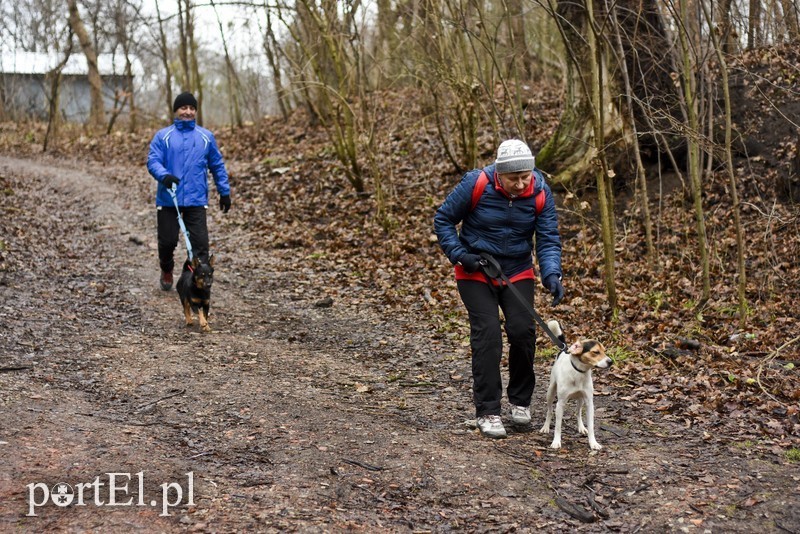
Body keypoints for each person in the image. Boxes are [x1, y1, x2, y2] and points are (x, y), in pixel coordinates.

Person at [434, 139, 564, 439]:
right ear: (499, 175)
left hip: (517, 270)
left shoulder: (541, 192)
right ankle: (488, 411)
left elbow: (547, 238)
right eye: (513, 179)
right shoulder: (475, 183)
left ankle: (520, 402)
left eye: (525, 177)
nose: (520, 184)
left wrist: (552, 274)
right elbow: (443, 219)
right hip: (475, 269)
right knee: (488, 334)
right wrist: (460, 254)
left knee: (522, 331)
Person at [147, 92, 232, 290]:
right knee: (167, 243)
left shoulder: (206, 137)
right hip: (169, 200)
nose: (188, 112)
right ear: (176, 110)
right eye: (183, 108)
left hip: (196, 200)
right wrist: (164, 175)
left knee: (200, 247)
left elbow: (217, 165)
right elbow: (153, 160)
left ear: (195, 111)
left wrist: (224, 191)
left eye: (191, 108)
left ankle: (192, 283)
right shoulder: (163, 136)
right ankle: (166, 269)